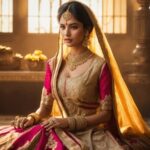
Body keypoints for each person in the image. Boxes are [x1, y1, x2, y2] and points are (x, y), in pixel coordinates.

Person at [0, 1, 150, 149]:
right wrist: (31, 118)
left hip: (87, 132)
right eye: (62, 27)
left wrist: (69, 122)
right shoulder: (53, 65)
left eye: (74, 27)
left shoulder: (99, 65)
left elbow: (106, 115)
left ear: (87, 30)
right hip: (56, 127)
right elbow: (44, 109)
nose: (66, 33)